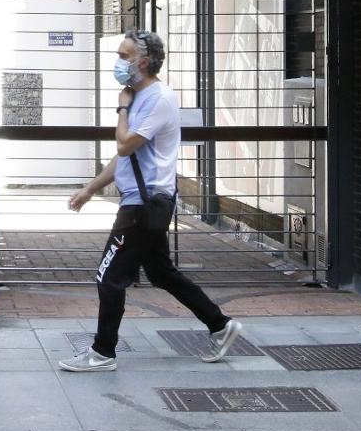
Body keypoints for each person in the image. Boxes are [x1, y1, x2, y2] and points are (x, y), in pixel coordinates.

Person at [58, 29, 242, 372]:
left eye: (124, 56)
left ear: (142, 62)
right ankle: (220, 324)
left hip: (143, 205)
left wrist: (121, 109)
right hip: (143, 200)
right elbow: (126, 158)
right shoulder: (141, 97)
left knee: (109, 276)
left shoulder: (158, 99)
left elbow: (124, 145)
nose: (118, 62)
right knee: (162, 273)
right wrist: (90, 189)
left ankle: (102, 353)